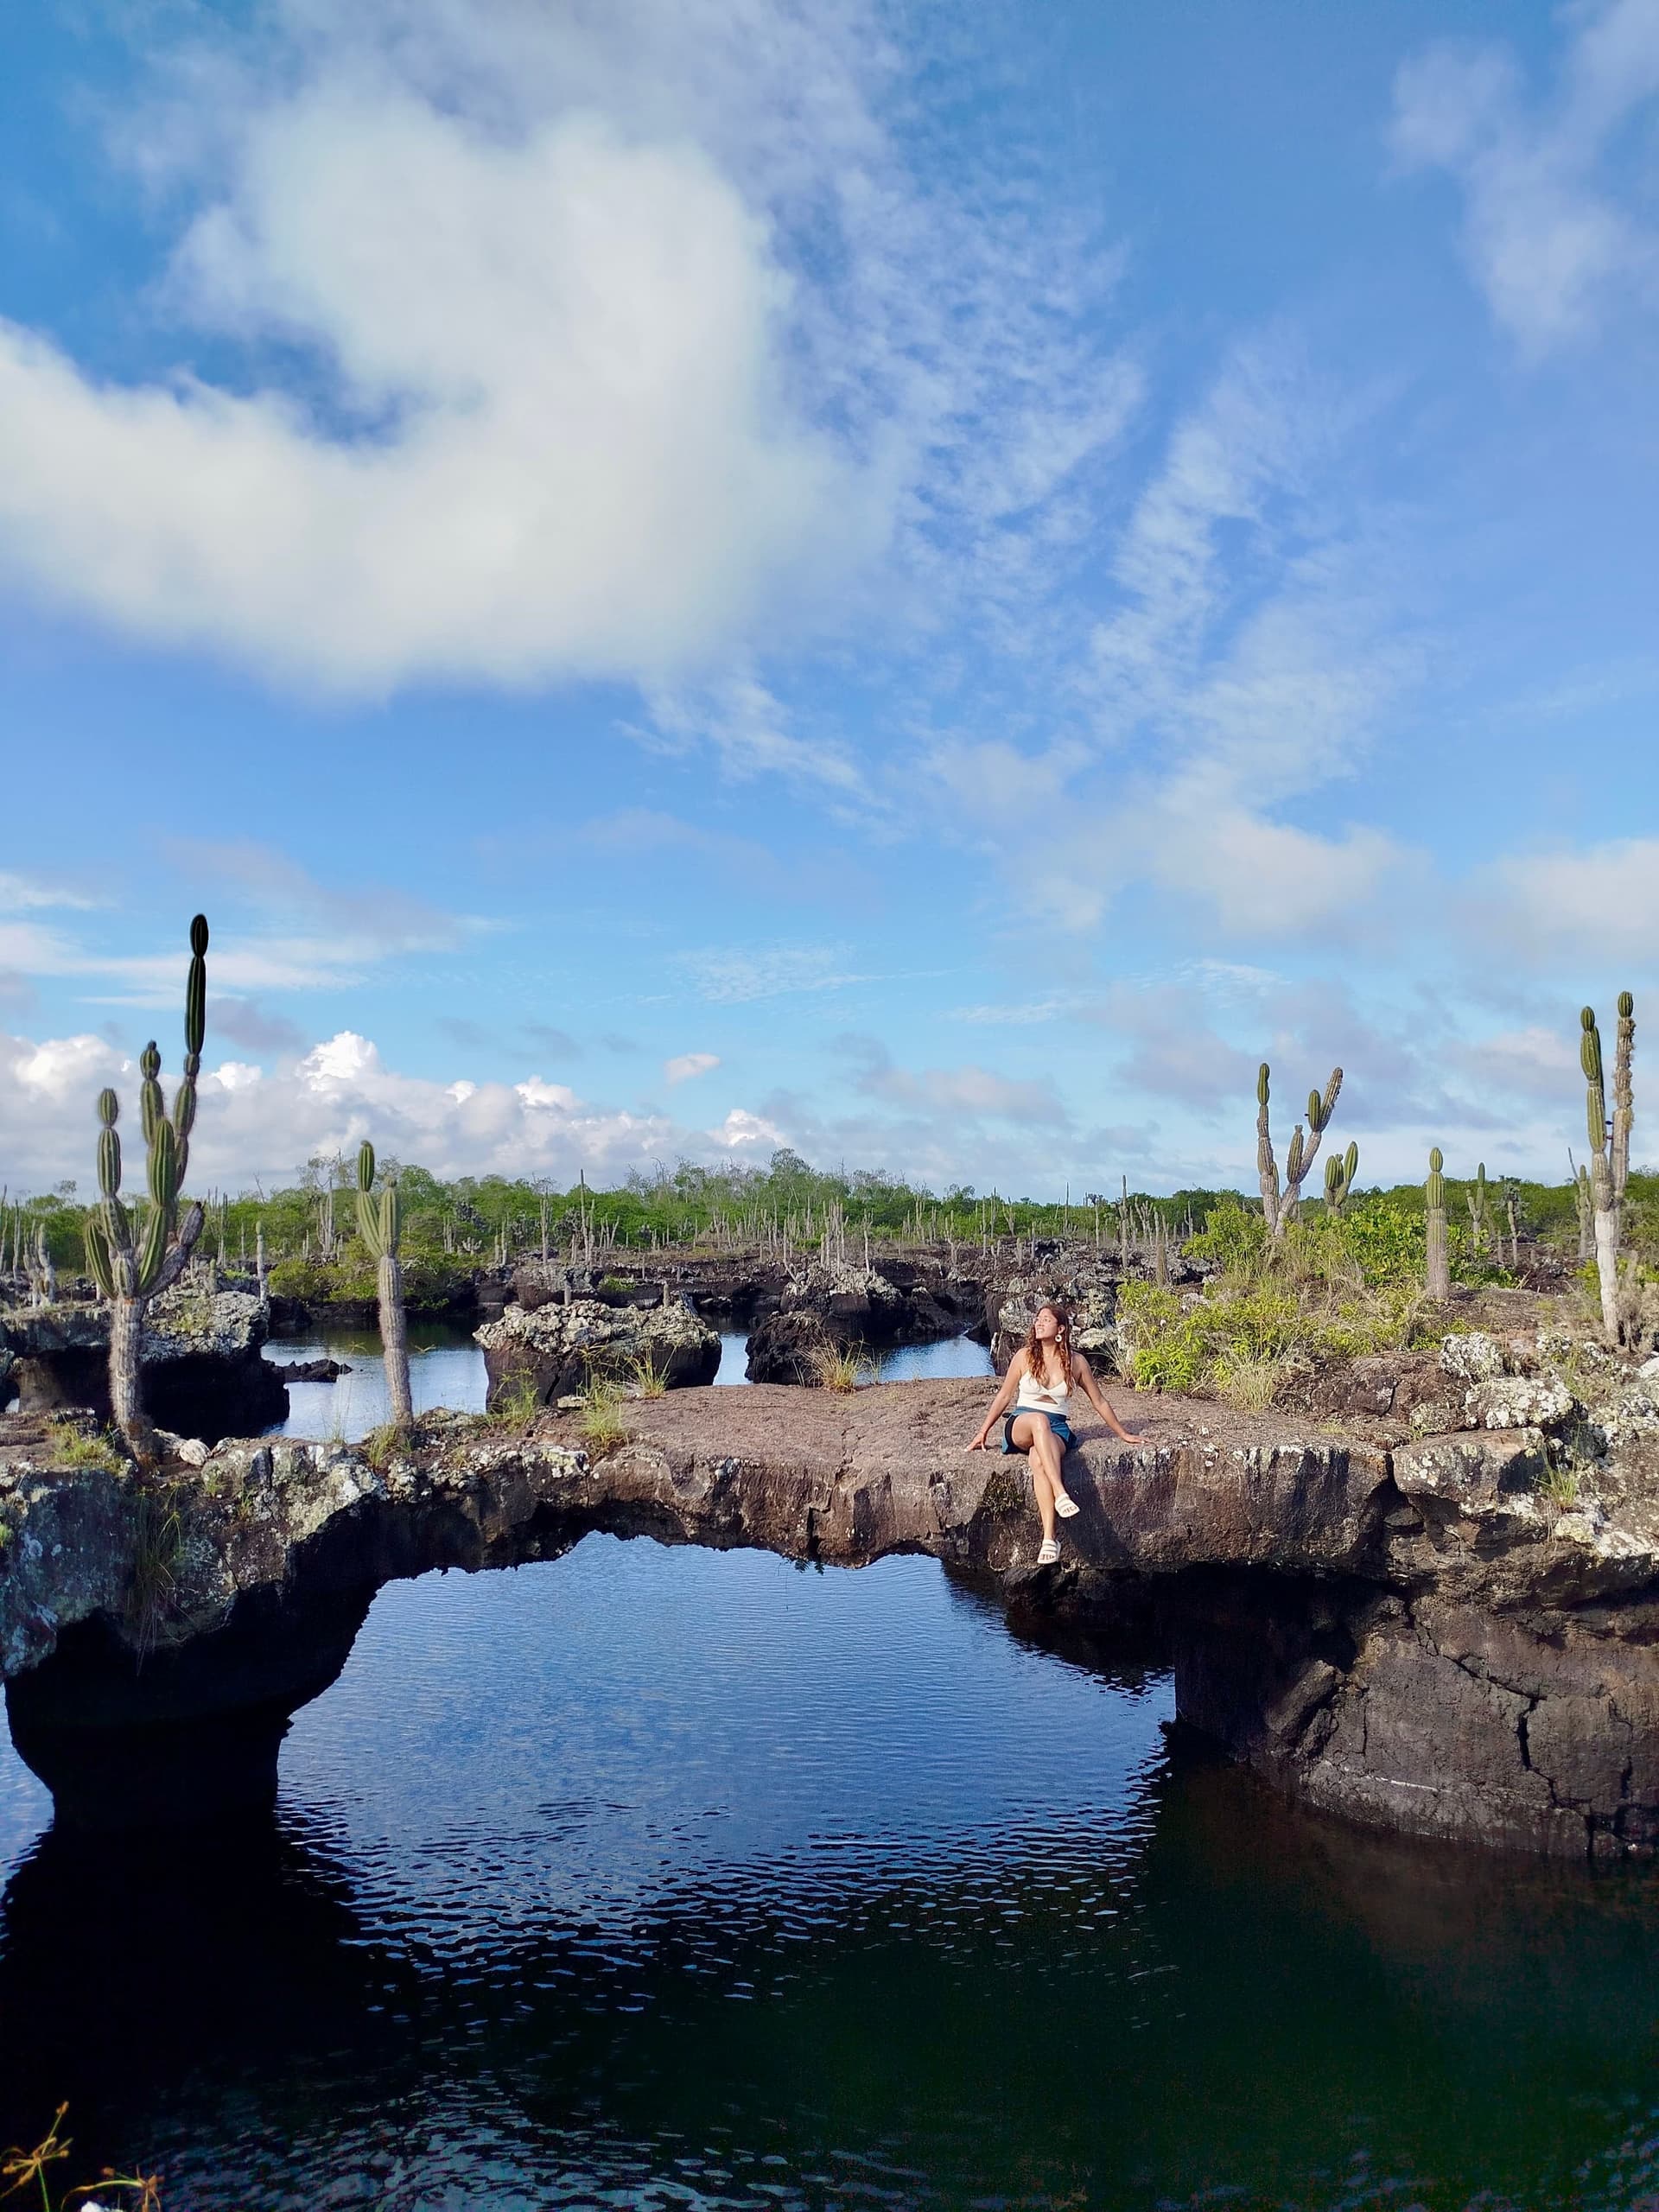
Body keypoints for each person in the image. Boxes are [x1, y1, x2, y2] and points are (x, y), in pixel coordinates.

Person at [967, 1301, 1139, 1565]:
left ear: (1060, 1329)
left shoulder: (1076, 1362)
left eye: (1045, 1319)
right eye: (1037, 1319)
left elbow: (1099, 1401)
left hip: (1056, 1428)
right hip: (1022, 1423)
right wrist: (983, 1431)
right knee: (1038, 1421)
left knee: (1038, 1458)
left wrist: (1123, 1433)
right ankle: (1061, 1492)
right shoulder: (1023, 1357)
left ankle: (1050, 1538)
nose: (1039, 1322)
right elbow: (1004, 1396)